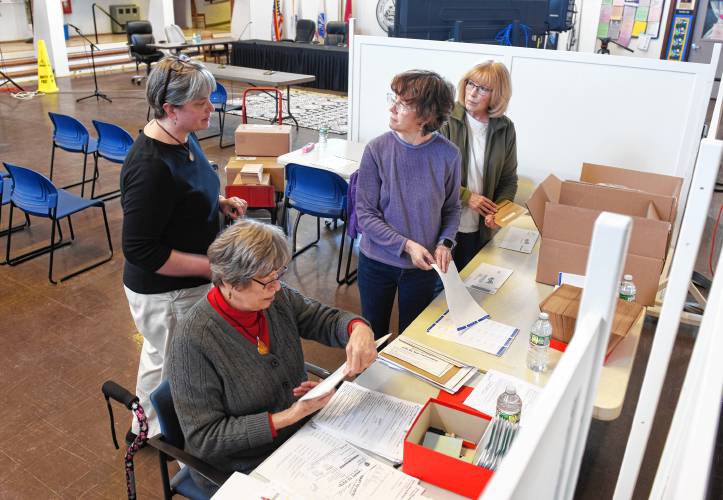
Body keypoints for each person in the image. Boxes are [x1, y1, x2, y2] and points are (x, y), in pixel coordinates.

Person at [167, 220, 377, 492]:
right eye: (267, 281)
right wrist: (289, 415)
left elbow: (321, 319)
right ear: (231, 282)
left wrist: (356, 328)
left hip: (297, 439)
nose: (277, 287)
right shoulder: (193, 341)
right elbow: (205, 438)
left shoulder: (275, 299)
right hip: (241, 467)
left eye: (279, 275)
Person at [121, 55, 248, 440]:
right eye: (200, 104)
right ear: (169, 108)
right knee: (178, 366)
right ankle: (170, 440)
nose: (212, 108)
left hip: (181, 286)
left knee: (160, 357)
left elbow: (190, 185)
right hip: (166, 293)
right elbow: (142, 250)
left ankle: (142, 426)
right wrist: (209, 268)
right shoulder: (150, 168)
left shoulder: (181, 134)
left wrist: (218, 201)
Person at [356, 70, 461, 339]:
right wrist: (407, 245)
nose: (392, 108)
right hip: (376, 262)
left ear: (426, 116)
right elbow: (365, 215)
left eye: (402, 104)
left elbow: (451, 208)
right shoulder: (376, 149)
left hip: (421, 270)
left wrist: (445, 242)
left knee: (412, 338)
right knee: (373, 335)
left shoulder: (448, 155)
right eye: (394, 99)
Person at [439, 61, 518, 271]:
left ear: (498, 95)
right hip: (443, 226)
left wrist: (499, 210)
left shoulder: (506, 128)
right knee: (438, 294)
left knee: (469, 289)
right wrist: (467, 196)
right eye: (470, 84)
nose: (472, 93)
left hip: (479, 228)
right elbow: (432, 176)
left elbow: (508, 179)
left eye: (482, 88)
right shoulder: (445, 118)